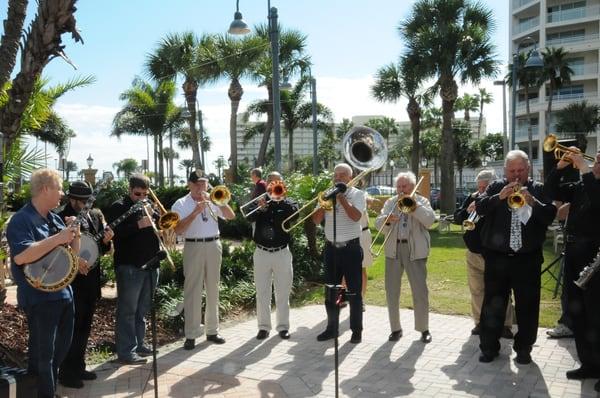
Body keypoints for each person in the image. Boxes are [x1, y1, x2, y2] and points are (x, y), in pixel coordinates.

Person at [476, 150, 556, 364]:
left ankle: (524, 349)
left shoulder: (538, 189)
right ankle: (489, 347)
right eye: (512, 171)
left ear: (528, 170)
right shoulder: (495, 186)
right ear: (505, 171)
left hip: (527, 259)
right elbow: (480, 208)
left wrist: (533, 202)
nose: (516, 175)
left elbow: (550, 215)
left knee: (528, 306)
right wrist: (499, 197)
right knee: (493, 304)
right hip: (497, 258)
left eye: (520, 170)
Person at [6, 168, 80, 398]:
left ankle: (43, 388)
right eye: (59, 188)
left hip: (64, 294)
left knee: (60, 350)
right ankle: (43, 393)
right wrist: (58, 238)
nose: (62, 194)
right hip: (39, 298)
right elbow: (21, 256)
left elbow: (72, 258)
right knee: (43, 353)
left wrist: (74, 235)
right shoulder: (21, 220)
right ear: (45, 189)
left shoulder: (54, 218)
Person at [544, 148, 600, 381]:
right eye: (596, 159)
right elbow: (549, 191)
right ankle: (588, 364)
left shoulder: (591, 184)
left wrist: (585, 169)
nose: (596, 162)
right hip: (574, 253)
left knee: (595, 314)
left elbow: (596, 199)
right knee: (577, 313)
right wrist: (560, 168)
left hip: (594, 255)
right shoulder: (580, 186)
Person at [58, 182, 114, 388]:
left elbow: (100, 249)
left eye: (89, 201)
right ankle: (66, 372)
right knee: (71, 330)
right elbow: (59, 250)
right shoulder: (62, 216)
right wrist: (75, 260)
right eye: (83, 201)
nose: (87, 205)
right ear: (72, 200)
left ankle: (79, 366)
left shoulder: (93, 216)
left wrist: (107, 240)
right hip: (72, 283)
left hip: (90, 282)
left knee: (84, 327)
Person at [172, 171, 235, 350]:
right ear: (190, 185)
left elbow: (231, 216)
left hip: (214, 244)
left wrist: (218, 202)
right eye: (198, 184)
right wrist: (195, 212)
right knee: (193, 289)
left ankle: (212, 331)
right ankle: (191, 334)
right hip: (193, 246)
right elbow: (177, 230)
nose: (202, 188)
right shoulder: (181, 204)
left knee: (213, 288)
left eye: (204, 184)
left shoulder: (213, 199)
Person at [453, 170, 514, 339]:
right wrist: (468, 209)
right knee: (477, 290)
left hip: (494, 253)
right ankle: (480, 323)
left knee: (502, 290)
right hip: (474, 252)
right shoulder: (473, 197)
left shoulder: (500, 199)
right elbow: (457, 217)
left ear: (493, 186)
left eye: (484, 187)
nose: (481, 191)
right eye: (479, 187)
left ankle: (506, 325)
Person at [375, 171, 436, 343]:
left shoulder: (422, 201)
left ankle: (424, 329)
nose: (401, 190)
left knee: (420, 291)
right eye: (399, 186)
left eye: (405, 186)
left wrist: (414, 206)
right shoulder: (390, 202)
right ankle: (396, 329)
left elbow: (430, 221)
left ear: (412, 186)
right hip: (393, 250)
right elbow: (378, 224)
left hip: (414, 251)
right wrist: (387, 220)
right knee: (392, 292)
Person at [106, 174, 160, 365]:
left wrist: (157, 220)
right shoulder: (119, 207)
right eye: (138, 194)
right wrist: (138, 224)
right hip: (130, 265)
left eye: (146, 194)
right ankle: (126, 351)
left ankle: (139, 344)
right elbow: (114, 233)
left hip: (151, 264)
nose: (142, 197)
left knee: (143, 309)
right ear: (130, 190)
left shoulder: (149, 206)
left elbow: (161, 225)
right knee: (127, 310)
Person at [312, 163, 366, 344]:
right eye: (336, 175)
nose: (338, 178)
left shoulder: (358, 194)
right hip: (331, 249)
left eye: (342, 175)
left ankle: (356, 331)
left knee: (354, 293)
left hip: (350, 249)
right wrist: (322, 205)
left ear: (350, 178)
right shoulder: (327, 194)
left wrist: (342, 198)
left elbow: (355, 216)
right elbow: (315, 220)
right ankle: (332, 328)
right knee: (331, 291)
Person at [246, 171, 298, 340]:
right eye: (270, 181)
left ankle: (283, 327)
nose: (274, 183)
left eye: (277, 181)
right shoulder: (258, 200)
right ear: (266, 183)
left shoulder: (288, 201)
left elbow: (295, 214)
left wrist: (280, 200)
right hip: (261, 252)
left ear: (282, 183)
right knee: (262, 292)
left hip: (282, 252)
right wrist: (261, 208)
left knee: (283, 292)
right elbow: (248, 217)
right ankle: (263, 327)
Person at [546, 202, 575, 339]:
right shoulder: (579, 190)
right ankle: (567, 325)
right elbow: (560, 214)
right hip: (574, 247)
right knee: (569, 291)